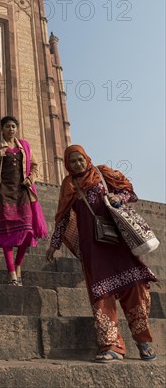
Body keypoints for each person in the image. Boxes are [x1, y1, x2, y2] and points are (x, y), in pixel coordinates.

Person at [46, 145, 158, 363]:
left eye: (80, 160)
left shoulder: (101, 173)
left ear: (86, 159)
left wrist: (119, 198)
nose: (77, 164)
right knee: (101, 294)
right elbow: (63, 219)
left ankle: (143, 342)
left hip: (117, 243)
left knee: (134, 287)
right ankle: (111, 345)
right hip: (93, 249)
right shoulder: (69, 185)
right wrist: (54, 245)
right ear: (67, 165)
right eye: (73, 162)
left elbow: (129, 192)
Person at [0, 115, 48, 285]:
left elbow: (34, 166)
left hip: (22, 192)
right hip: (4, 193)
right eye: (7, 127)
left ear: (16, 129)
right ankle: (11, 271)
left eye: (13, 126)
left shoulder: (24, 146)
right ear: (2, 129)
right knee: (7, 234)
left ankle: (18, 265)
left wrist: (31, 178)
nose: (11, 129)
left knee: (27, 232)